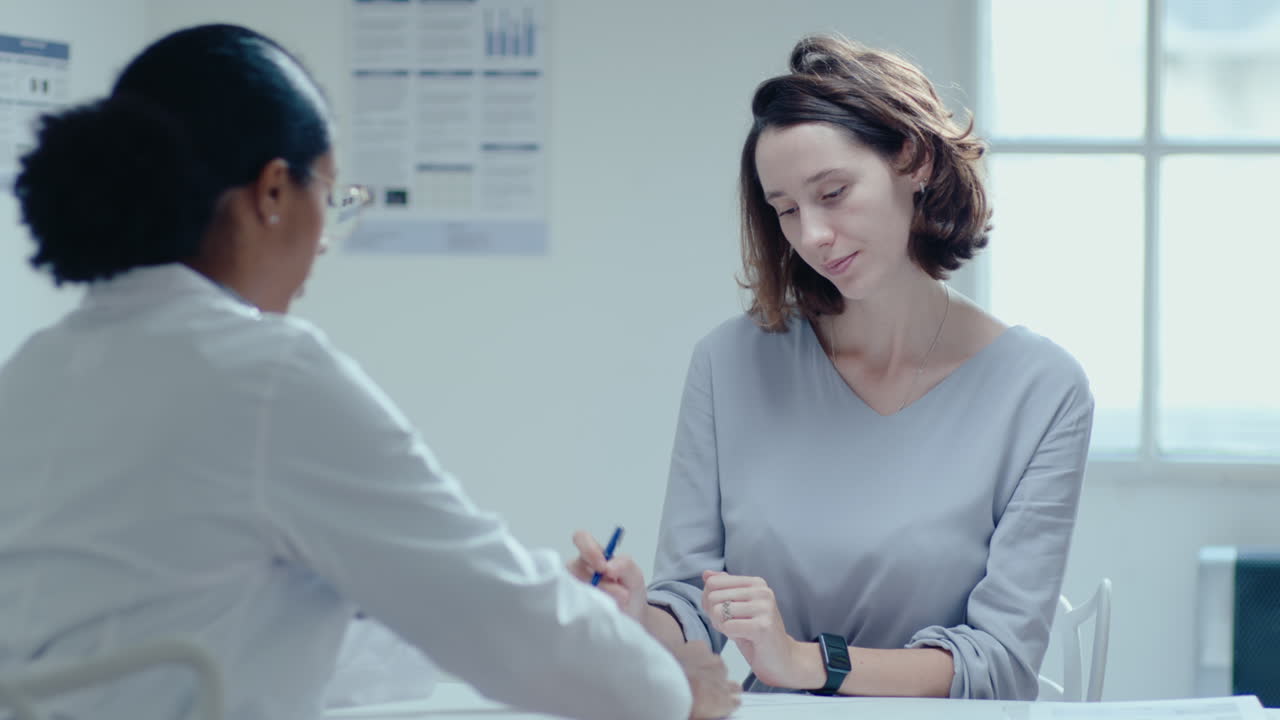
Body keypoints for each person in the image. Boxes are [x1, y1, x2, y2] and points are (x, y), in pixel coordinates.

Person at [0, 24, 739, 720]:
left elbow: (255, 633)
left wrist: (567, 618)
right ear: (273, 193)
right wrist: (666, 681)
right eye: (332, 197)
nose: (325, 242)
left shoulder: (36, 372)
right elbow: (493, 612)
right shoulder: (269, 376)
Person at [574, 33, 1094, 701]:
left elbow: (998, 663)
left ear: (913, 160)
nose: (812, 235)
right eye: (787, 210)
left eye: (834, 192)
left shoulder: (1042, 389)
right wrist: (636, 616)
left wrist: (807, 661)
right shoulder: (729, 364)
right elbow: (696, 605)